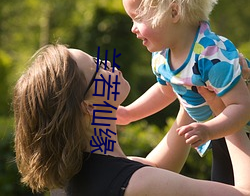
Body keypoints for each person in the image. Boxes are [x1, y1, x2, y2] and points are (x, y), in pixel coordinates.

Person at [13, 44, 250, 196]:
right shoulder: (137, 184)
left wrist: (190, 84)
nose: (106, 62)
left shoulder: (74, 178)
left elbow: (155, 167)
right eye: (96, 66)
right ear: (89, 107)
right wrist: (226, 112)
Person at [119, 0, 250, 184]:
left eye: (138, 18)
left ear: (173, 13)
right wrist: (130, 113)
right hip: (220, 134)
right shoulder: (162, 56)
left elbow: (242, 106)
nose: (133, 29)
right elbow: (166, 91)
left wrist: (209, 130)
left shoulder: (211, 55)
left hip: (239, 131)